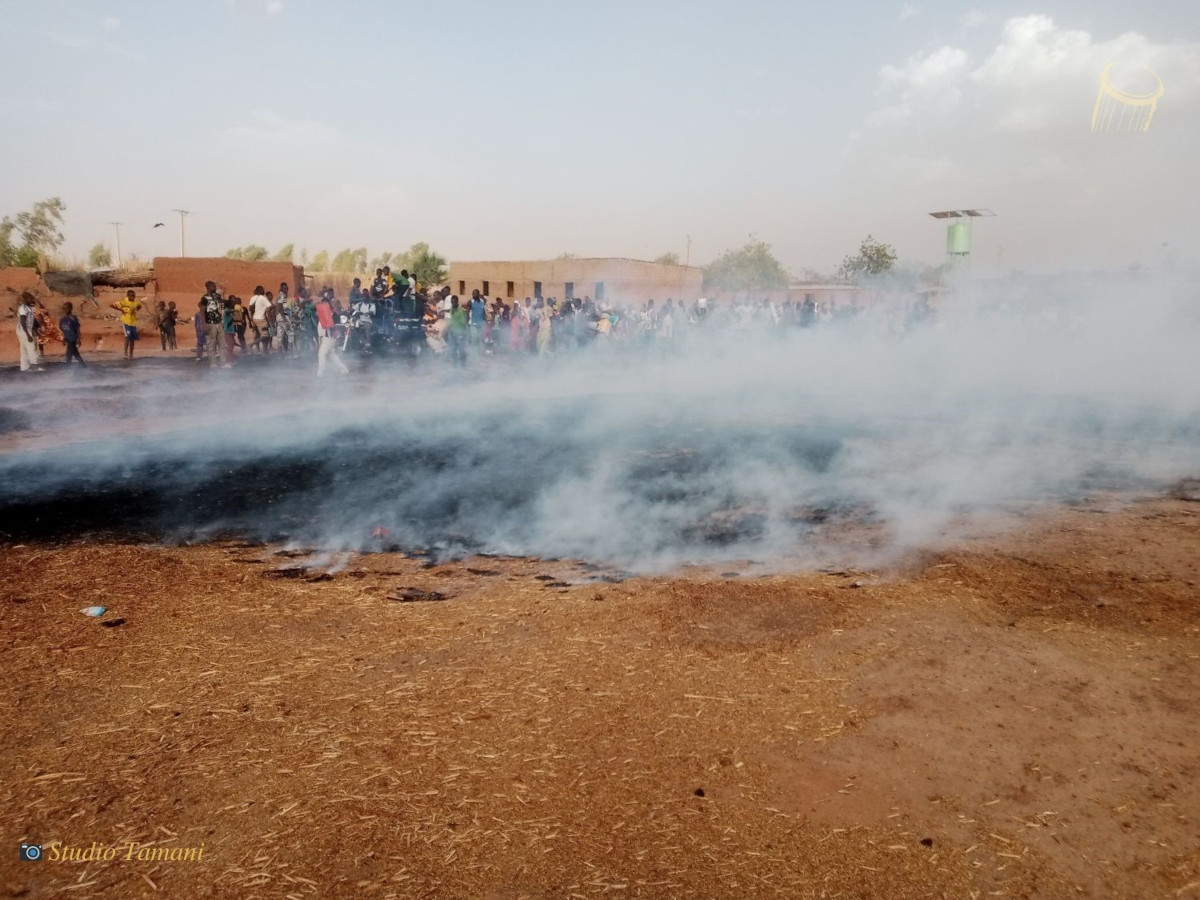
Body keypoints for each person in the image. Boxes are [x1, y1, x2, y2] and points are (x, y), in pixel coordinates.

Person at [315, 290, 349, 376]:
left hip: (329, 336)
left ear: (329, 304)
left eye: (325, 304)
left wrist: (333, 330)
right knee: (332, 355)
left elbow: (337, 326)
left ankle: (320, 374)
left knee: (321, 354)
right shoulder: (324, 313)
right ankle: (344, 370)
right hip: (325, 336)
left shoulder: (334, 314)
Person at [112, 289, 142, 360]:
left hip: (133, 322)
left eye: (134, 295)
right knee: (127, 337)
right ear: (128, 296)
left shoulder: (136, 303)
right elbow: (112, 305)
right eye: (131, 296)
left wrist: (135, 310)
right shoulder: (124, 302)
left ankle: (131, 354)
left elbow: (139, 306)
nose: (133, 297)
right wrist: (121, 310)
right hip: (126, 321)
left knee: (132, 338)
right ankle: (125, 354)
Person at [200, 281, 224, 367]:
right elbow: (202, 312)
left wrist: (223, 321)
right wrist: (204, 324)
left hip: (219, 323)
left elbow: (221, 309)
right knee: (211, 344)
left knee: (222, 344)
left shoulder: (218, 297)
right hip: (210, 323)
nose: (214, 288)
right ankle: (213, 363)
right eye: (212, 286)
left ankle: (223, 362)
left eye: (214, 286)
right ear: (207, 287)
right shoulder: (205, 298)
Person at [16, 292, 41, 371]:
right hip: (24, 330)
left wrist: (36, 329)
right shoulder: (23, 308)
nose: (32, 300)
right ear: (25, 299)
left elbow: (32, 321)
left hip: (26, 329)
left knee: (24, 348)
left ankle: (24, 367)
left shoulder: (29, 308)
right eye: (30, 298)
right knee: (31, 347)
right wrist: (28, 334)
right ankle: (34, 366)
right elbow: (23, 322)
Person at [59, 302, 85, 366]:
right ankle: (83, 366)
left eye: (67, 308)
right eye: (64, 308)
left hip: (73, 339)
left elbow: (77, 329)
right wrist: (64, 338)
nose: (65, 310)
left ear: (71, 309)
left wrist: (79, 339)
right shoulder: (62, 319)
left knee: (69, 354)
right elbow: (64, 330)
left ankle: (68, 368)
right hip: (68, 338)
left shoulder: (73, 319)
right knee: (76, 354)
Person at [446, 295, 468, 367]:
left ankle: (463, 364)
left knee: (461, 349)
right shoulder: (452, 308)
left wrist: (463, 334)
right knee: (453, 349)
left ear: (457, 302)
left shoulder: (460, 311)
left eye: (454, 302)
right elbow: (449, 310)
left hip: (460, 333)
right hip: (453, 332)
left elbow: (463, 323)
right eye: (451, 302)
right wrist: (443, 311)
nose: (452, 303)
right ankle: (454, 364)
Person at [221, 298, 237, 366]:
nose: (234, 305)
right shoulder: (226, 310)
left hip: (231, 331)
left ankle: (231, 360)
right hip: (227, 331)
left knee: (231, 347)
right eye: (233, 304)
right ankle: (228, 362)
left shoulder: (230, 312)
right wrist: (235, 310)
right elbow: (228, 311)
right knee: (229, 347)